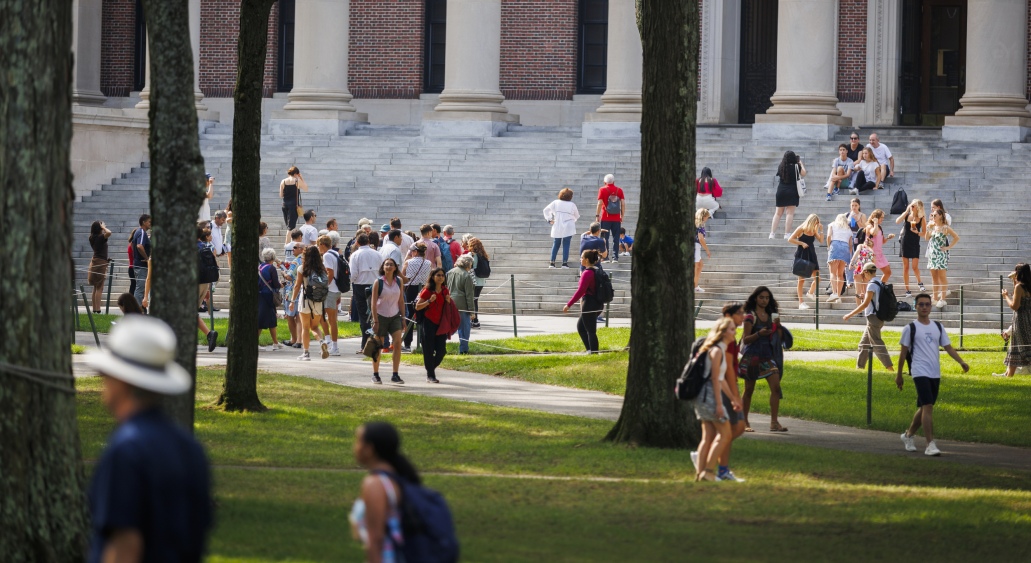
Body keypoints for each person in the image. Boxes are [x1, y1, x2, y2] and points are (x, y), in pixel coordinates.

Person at [84, 316, 212, 563]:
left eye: (105, 375)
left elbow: (125, 546)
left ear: (121, 380)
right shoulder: (191, 450)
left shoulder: (126, 451)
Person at [897, 293, 969, 456]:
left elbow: (948, 347)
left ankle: (908, 436)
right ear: (915, 306)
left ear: (931, 306)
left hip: (934, 372)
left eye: (927, 304)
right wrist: (899, 375)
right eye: (921, 304)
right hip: (919, 371)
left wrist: (961, 361)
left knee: (925, 407)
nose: (924, 307)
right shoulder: (910, 328)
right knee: (928, 406)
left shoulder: (937, 327)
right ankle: (930, 444)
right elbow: (903, 354)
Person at [349, 422, 420, 563]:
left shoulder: (375, 484)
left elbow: (375, 540)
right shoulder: (397, 477)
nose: (355, 447)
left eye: (358, 442)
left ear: (369, 449)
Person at [692, 318, 741, 482]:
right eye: (732, 330)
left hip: (704, 395)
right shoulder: (717, 351)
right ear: (722, 332)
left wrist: (733, 399)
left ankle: (700, 475)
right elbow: (714, 380)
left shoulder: (718, 349)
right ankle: (707, 472)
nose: (735, 332)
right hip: (709, 397)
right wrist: (720, 405)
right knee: (726, 434)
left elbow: (721, 380)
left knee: (708, 437)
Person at [739, 286, 787, 432]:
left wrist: (778, 327)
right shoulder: (750, 316)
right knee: (749, 390)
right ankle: (744, 422)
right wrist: (759, 334)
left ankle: (774, 422)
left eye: (767, 298)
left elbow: (777, 339)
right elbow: (746, 340)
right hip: (752, 355)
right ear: (755, 298)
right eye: (761, 297)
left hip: (768, 356)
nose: (765, 300)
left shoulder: (771, 315)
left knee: (776, 388)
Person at [844, 262, 894, 371]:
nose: (863, 276)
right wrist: (865, 296)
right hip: (878, 317)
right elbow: (873, 300)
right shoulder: (880, 282)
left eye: (863, 274)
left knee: (877, 344)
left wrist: (850, 314)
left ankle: (890, 368)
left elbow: (865, 304)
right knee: (863, 344)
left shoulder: (871, 284)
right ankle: (860, 368)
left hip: (873, 318)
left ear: (866, 272)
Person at [371, 258, 407, 384]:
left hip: (395, 316)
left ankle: (395, 374)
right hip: (381, 316)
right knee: (378, 345)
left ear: (395, 268)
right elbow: (373, 304)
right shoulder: (378, 282)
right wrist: (375, 321)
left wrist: (403, 318)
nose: (389, 267)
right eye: (387, 264)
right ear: (383, 267)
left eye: (391, 265)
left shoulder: (399, 281)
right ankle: (375, 374)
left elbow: (401, 301)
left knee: (397, 343)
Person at [290, 245, 329, 361]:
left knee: (305, 328)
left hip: (305, 301)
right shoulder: (322, 269)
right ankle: (321, 341)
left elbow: (297, 286)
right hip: (318, 301)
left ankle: (306, 354)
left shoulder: (302, 268)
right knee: (315, 327)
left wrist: (292, 301)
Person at [415, 268, 451, 383]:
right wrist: (429, 301)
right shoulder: (427, 291)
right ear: (433, 277)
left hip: (441, 324)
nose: (440, 277)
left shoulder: (445, 290)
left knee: (441, 351)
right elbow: (417, 306)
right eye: (438, 275)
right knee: (428, 350)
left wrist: (449, 301)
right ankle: (431, 375)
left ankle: (430, 368)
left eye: (442, 275)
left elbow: (447, 307)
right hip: (428, 323)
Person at [563, 249, 603, 354]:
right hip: (598, 303)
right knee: (581, 327)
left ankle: (594, 353)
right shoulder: (597, 270)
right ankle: (590, 350)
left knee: (591, 330)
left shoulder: (587, 273)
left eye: (581, 257)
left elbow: (581, 291)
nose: (580, 259)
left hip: (590, 303)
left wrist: (568, 305)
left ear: (587, 259)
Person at [350, 233, 384, 351]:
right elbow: (382, 270)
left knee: (364, 316)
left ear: (357, 243)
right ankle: (377, 341)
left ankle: (365, 344)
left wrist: (354, 281)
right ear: (368, 242)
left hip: (360, 285)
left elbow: (353, 274)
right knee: (377, 313)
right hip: (375, 284)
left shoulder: (355, 255)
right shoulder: (377, 254)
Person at [996, 263, 1031, 377]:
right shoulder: (1027, 286)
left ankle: (1009, 374)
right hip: (1029, 317)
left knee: (1017, 345)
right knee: (1017, 344)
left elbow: (1015, 306)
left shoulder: (1019, 287)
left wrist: (1005, 296)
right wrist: (1014, 281)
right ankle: (1009, 374)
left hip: (1020, 319)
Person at [925, 208, 959, 308]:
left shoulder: (945, 227)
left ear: (940, 216)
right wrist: (928, 228)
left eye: (935, 215)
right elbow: (927, 238)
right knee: (934, 277)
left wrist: (948, 247)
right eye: (932, 215)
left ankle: (943, 298)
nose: (933, 217)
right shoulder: (932, 226)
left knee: (942, 277)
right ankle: (935, 298)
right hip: (932, 254)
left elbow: (956, 237)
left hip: (940, 254)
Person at [788, 214, 824, 309]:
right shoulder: (801, 229)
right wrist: (801, 243)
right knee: (801, 280)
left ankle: (810, 292)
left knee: (818, 279)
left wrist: (821, 230)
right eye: (815, 223)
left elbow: (821, 241)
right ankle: (801, 303)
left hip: (812, 255)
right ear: (811, 222)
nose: (816, 225)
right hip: (802, 255)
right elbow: (790, 239)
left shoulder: (813, 231)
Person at [401, 243, 432, 352]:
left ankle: (407, 343)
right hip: (423, 291)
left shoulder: (408, 262)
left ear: (415, 252)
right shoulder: (429, 263)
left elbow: (403, 277)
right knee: (423, 317)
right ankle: (424, 342)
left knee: (409, 316)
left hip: (410, 290)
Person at [769, 151, 806, 239]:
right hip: (792, 191)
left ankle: (772, 233)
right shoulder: (796, 166)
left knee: (778, 213)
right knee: (789, 214)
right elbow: (804, 173)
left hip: (781, 191)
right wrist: (801, 164)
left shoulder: (781, 166)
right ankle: (787, 234)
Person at [895, 199, 927, 297]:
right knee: (906, 267)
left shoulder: (922, 218)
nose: (911, 207)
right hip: (905, 241)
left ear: (918, 207)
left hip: (914, 242)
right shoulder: (907, 215)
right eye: (911, 205)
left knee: (914, 266)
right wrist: (906, 211)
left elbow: (925, 234)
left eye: (913, 206)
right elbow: (897, 221)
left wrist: (917, 232)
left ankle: (920, 283)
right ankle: (907, 289)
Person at [543, 187, 580, 268]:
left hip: (558, 224)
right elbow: (577, 216)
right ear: (570, 196)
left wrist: (549, 219)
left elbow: (546, 210)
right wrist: (572, 219)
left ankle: (552, 262)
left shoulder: (555, 202)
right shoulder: (572, 204)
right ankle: (564, 263)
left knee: (556, 244)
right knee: (566, 244)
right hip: (569, 226)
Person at [195, 227, 219, 352]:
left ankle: (209, 334)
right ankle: (209, 334)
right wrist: (209, 288)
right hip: (204, 283)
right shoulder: (206, 248)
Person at [318, 235, 343, 356]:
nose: (318, 248)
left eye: (319, 245)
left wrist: (323, 286)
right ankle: (329, 343)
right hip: (335, 289)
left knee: (332, 320)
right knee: (325, 317)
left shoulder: (327, 255)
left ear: (323, 245)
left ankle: (335, 347)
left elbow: (330, 273)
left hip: (330, 290)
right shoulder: (335, 253)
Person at [447, 254, 476, 355]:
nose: (471, 266)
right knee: (464, 328)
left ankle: (437, 344)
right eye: (471, 264)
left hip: (450, 302)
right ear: (468, 264)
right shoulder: (466, 275)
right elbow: (469, 295)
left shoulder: (449, 272)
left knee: (448, 326)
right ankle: (463, 349)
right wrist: (472, 311)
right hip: (462, 305)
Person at [595, 174, 624, 263]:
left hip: (605, 217)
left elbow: (600, 203)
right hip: (616, 219)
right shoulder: (619, 190)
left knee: (604, 237)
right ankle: (615, 257)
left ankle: (605, 257)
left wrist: (597, 215)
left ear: (604, 182)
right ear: (614, 181)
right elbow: (623, 204)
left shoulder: (602, 189)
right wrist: (621, 216)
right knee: (616, 238)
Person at [258, 247, 283, 351]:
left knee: (272, 319)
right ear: (273, 257)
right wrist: (282, 284)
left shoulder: (260, 266)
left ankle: (275, 342)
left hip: (260, 295)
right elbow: (276, 284)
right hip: (268, 296)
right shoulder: (271, 268)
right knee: (261, 320)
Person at [825, 214, 852, 303]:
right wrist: (848, 252)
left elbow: (829, 236)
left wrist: (829, 247)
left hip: (835, 244)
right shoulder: (848, 229)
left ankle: (834, 293)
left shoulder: (832, 225)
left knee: (832, 272)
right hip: (845, 247)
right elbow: (851, 245)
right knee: (840, 274)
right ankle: (839, 296)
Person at [88, 220, 112, 313]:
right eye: (101, 226)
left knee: (95, 287)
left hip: (95, 261)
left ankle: (94, 310)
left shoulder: (92, 237)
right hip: (100, 262)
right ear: (99, 228)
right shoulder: (100, 237)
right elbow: (109, 233)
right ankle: (98, 310)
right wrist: (104, 227)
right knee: (100, 287)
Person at [864, 209, 896, 283]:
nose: (882, 219)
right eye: (881, 217)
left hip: (879, 254)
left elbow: (882, 241)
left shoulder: (880, 227)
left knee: (888, 272)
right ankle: (868, 291)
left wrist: (888, 237)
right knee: (869, 275)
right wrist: (875, 223)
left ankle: (880, 287)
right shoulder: (869, 227)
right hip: (871, 254)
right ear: (876, 217)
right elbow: (874, 233)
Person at [844, 197, 868, 290]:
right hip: (848, 237)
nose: (854, 207)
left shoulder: (862, 215)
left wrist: (857, 219)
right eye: (852, 205)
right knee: (848, 258)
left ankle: (859, 278)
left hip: (858, 237)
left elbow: (864, 228)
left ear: (859, 206)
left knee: (857, 258)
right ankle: (849, 281)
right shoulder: (846, 215)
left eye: (856, 205)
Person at [848, 237, 877, 308]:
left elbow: (857, 251)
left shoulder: (861, 245)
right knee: (866, 291)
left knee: (857, 290)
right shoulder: (873, 252)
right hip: (868, 269)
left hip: (859, 266)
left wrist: (851, 262)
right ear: (872, 245)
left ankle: (859, 309)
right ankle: (865, 308)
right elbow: (874, 264)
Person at [466, 237, 489, 328]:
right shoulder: (484, 255)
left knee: (473, 301)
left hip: (473, 280)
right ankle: (474, 320)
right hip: (481, 281)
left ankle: (475, 321)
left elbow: (468, 266)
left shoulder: (471, 254)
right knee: (475, 300)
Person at [280, 166, 308, 234]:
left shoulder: (283, 181)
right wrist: (302, 178)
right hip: (293, 206)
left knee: (288, 226)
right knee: (291, 227)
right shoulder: (297, 181)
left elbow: (281, 195)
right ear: (296, 173)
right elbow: (306, 189)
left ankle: (289, 243)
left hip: (285, 205)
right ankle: (287, 244)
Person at [132, 214, 152, 310]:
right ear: (144, 222)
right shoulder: (142, 232)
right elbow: (139, 246)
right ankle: (137, 311)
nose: (151, 224)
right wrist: (147, 258)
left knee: (140, 288)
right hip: (141, 266)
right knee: (140, 289)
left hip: (138, 264)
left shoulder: (137, 231)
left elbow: (132, 244)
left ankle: (140, 310)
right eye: (149, 222)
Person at [694, 209, 712, 293]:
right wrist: (707, 250)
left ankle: (695, 285)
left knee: (700, 265)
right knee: (696, 266)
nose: (707, 219)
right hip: (696, 246)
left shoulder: (696, 224)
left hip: (696, 246)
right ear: (703, 216)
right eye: (706, 217)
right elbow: (700, 238)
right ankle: (694, 286)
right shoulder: (699, 225)